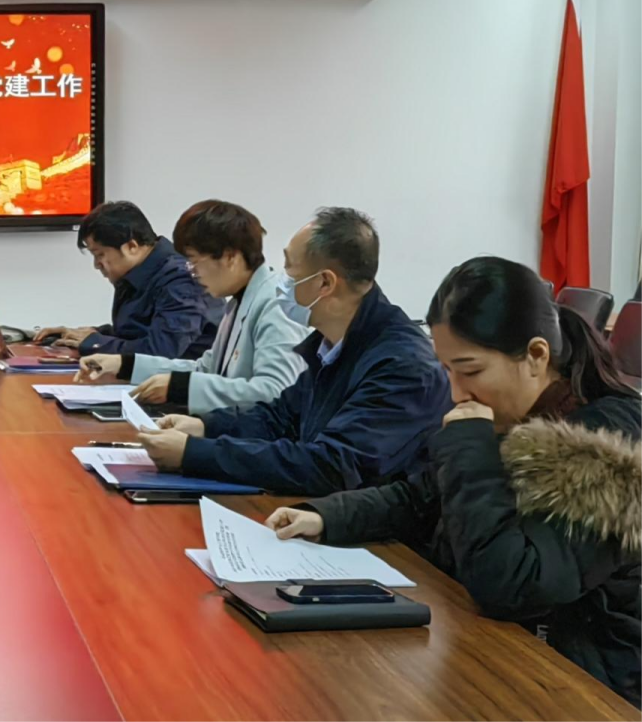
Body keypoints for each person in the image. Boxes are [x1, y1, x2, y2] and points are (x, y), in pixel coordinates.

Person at [267, 257, 642, 707]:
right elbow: (421, 496)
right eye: (447, 369)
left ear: (537, 356)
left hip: (583, 682)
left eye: (471, 370)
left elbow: (513, 585)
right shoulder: (515, 415)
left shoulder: (606, 447)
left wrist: (470, 447)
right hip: (498, 650)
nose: (457, 392)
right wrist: (326, 516)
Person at [135, 207, 450, 495]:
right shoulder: (332, 342)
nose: (281, 281)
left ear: (325, 283)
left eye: (290, 269)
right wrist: (205, 427)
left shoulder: (401, 364)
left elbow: (333, 466)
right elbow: (279, 418)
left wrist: (194, 454)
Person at [77, 200, 307, 413]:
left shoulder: (276, 305)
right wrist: (124, 364)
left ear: (230, 257)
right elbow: (205, 369)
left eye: (195, 262)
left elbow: (276, 392)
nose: (192, 272)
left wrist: (181, 388)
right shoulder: (240, 300)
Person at [36, 200, 215, 359]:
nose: (96, 265)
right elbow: (136, 333)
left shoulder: (181, 279)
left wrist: (95, 342)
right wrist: (89, 334)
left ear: (131, 246)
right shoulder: (136, 273)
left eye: (100, 254)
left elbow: (160, 351)